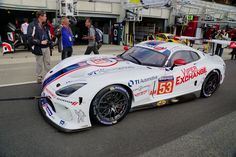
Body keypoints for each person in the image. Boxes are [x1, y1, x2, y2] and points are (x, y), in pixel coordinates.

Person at [27, 10, 53, 83]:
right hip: (38, 47)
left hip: (46, 47)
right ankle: (39, 77)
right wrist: (40, 42)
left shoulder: (45, 25)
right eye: (45, 16)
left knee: (48, 63)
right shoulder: (32, 25)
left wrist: (50, 43)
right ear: (40, 16)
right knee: (39, 63)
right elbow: (29, 38)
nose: (46, 17)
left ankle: (49, 76)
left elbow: (48, 35)